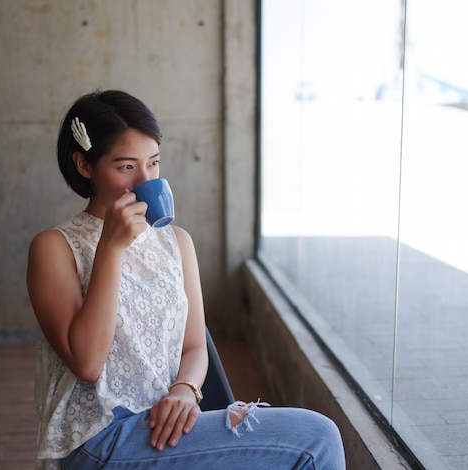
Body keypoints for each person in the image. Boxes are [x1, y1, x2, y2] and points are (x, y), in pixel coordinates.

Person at [27, 89, 346, 469]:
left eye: (154, 163)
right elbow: (87, 363)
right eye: (126, 167)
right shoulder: (54, 247)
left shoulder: (177, 242)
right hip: (101, 438)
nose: (144, 181)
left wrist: (184, 391)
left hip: (168, 423)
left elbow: (195, 346)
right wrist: (111, 249)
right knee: (316, 439)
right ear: (84, 165)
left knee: (312, 437)